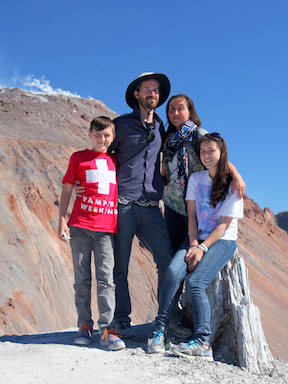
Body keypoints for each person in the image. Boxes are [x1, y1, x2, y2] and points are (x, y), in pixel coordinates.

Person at [148, 132, 243, 361]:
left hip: (222, 240)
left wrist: (202, 248)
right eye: (203, 151)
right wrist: (192, 243)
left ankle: (203, 342)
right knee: (172, 272)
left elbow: (223, 226)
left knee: (195, 282)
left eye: (211, 151)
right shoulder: (196, 179)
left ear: (221, 154)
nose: (207, 155)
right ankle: (161, 330)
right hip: (196, 237)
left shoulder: (233, 185)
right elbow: (191, 216)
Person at [160, 94, 246, 336]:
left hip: (198, 208)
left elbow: (218, 156)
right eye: (172, 109)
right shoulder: (169, 140)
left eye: (181, 109)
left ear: (190, 111)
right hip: (176, 207)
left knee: (191, 263)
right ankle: (173, 317)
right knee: (174, 261)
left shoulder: (199, 134)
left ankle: (196, 323)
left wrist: (237, 176)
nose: (176, 113)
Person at [108, 72, 175, 337]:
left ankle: (168, 317)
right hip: (123, 204)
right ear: (136, 94)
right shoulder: (121, 124)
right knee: (120, 266)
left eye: (156, 90)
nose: (153, 94)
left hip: (151, 207)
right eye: (147, 89)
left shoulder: (160, 126)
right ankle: (122, 319)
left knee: (167, 261)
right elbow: (102, 153)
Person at [58, 116, 125, 351]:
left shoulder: (116, 161)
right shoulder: (78, 158)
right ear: (90, 134)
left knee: (106, 280)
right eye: (98, 134)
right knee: (82, 279)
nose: (102, 139)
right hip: (79, 226)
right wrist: (62, 220)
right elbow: (67, 188)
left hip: (106, 229)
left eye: (107, 135)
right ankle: (84, 326)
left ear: (113, 137)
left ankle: (107, 328)